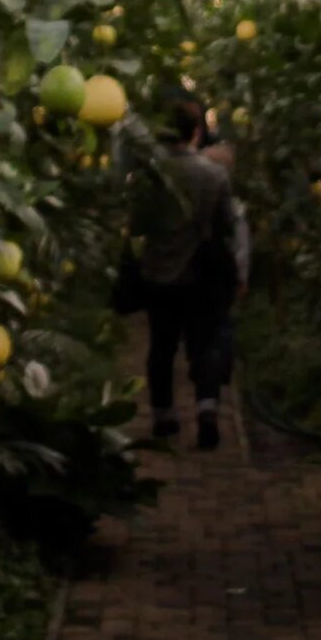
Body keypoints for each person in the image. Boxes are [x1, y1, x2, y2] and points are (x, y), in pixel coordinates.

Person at [118, 95, 243, 450]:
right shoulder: (214, 175)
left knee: (162, 346)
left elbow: (137, 225)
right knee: (203, 343)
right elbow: (226, 226)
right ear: (196, 133)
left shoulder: (149, 177)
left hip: (159, 273)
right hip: (201, 273)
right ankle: (206, 409)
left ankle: (164, 415)